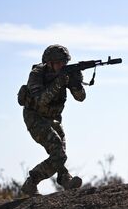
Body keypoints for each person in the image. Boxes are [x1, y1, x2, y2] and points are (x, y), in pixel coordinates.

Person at [17, 44, 85, 196]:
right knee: (58, 153)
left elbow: (81, 98)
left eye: (64, 62)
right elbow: (41, 99)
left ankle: (64, 178)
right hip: (34, 117)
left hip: (53, 119)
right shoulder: (36, 74)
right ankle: (32, 181)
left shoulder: (64, 74)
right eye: (59, 62)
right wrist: (59, 82)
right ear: (49, 63)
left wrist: (76, 84)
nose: (62, 65)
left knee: (60, 151)